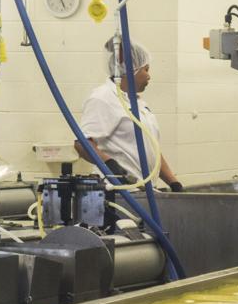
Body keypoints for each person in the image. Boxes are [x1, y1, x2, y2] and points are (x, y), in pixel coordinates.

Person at [75, 38, 183, 192]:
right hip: (118, 191)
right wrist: (110, 166)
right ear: (131, 70)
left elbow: (151, 149)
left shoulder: (138, 103)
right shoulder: (102, 98)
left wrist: (174, 183)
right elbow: (82, 144)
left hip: (143, 191)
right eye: (146, 70)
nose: (149, 76)